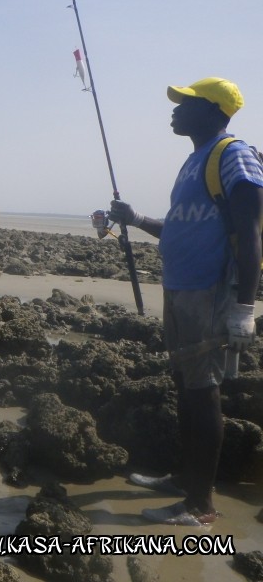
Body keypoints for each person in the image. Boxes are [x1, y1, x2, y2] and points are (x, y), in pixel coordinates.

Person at [110, 78, 263, 526]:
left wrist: (245, 306)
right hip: (179, 288)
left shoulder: (233, 154)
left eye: (186, 103)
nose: (175, 110)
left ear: (214, 110)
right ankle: (186, 478)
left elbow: (251, 233)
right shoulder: (194, 161)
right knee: (185, 386)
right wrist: (136, 219)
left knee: (202, 393)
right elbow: (181, 227)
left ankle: (200, 506)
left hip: (210, 291)